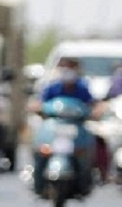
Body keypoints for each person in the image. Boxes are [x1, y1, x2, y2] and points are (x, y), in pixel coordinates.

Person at [32, 56, 97, 193]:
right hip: (53, 128)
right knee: (40, 150)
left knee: (87, 151)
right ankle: (37, 182)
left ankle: (87, 181)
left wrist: (95, 111)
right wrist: (36, 107)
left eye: (70, 68)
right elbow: (38, 103)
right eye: (64, 68)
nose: (67, 72)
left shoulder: (82, 88)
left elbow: (93, 105)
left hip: (75, 129)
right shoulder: (51, 88)